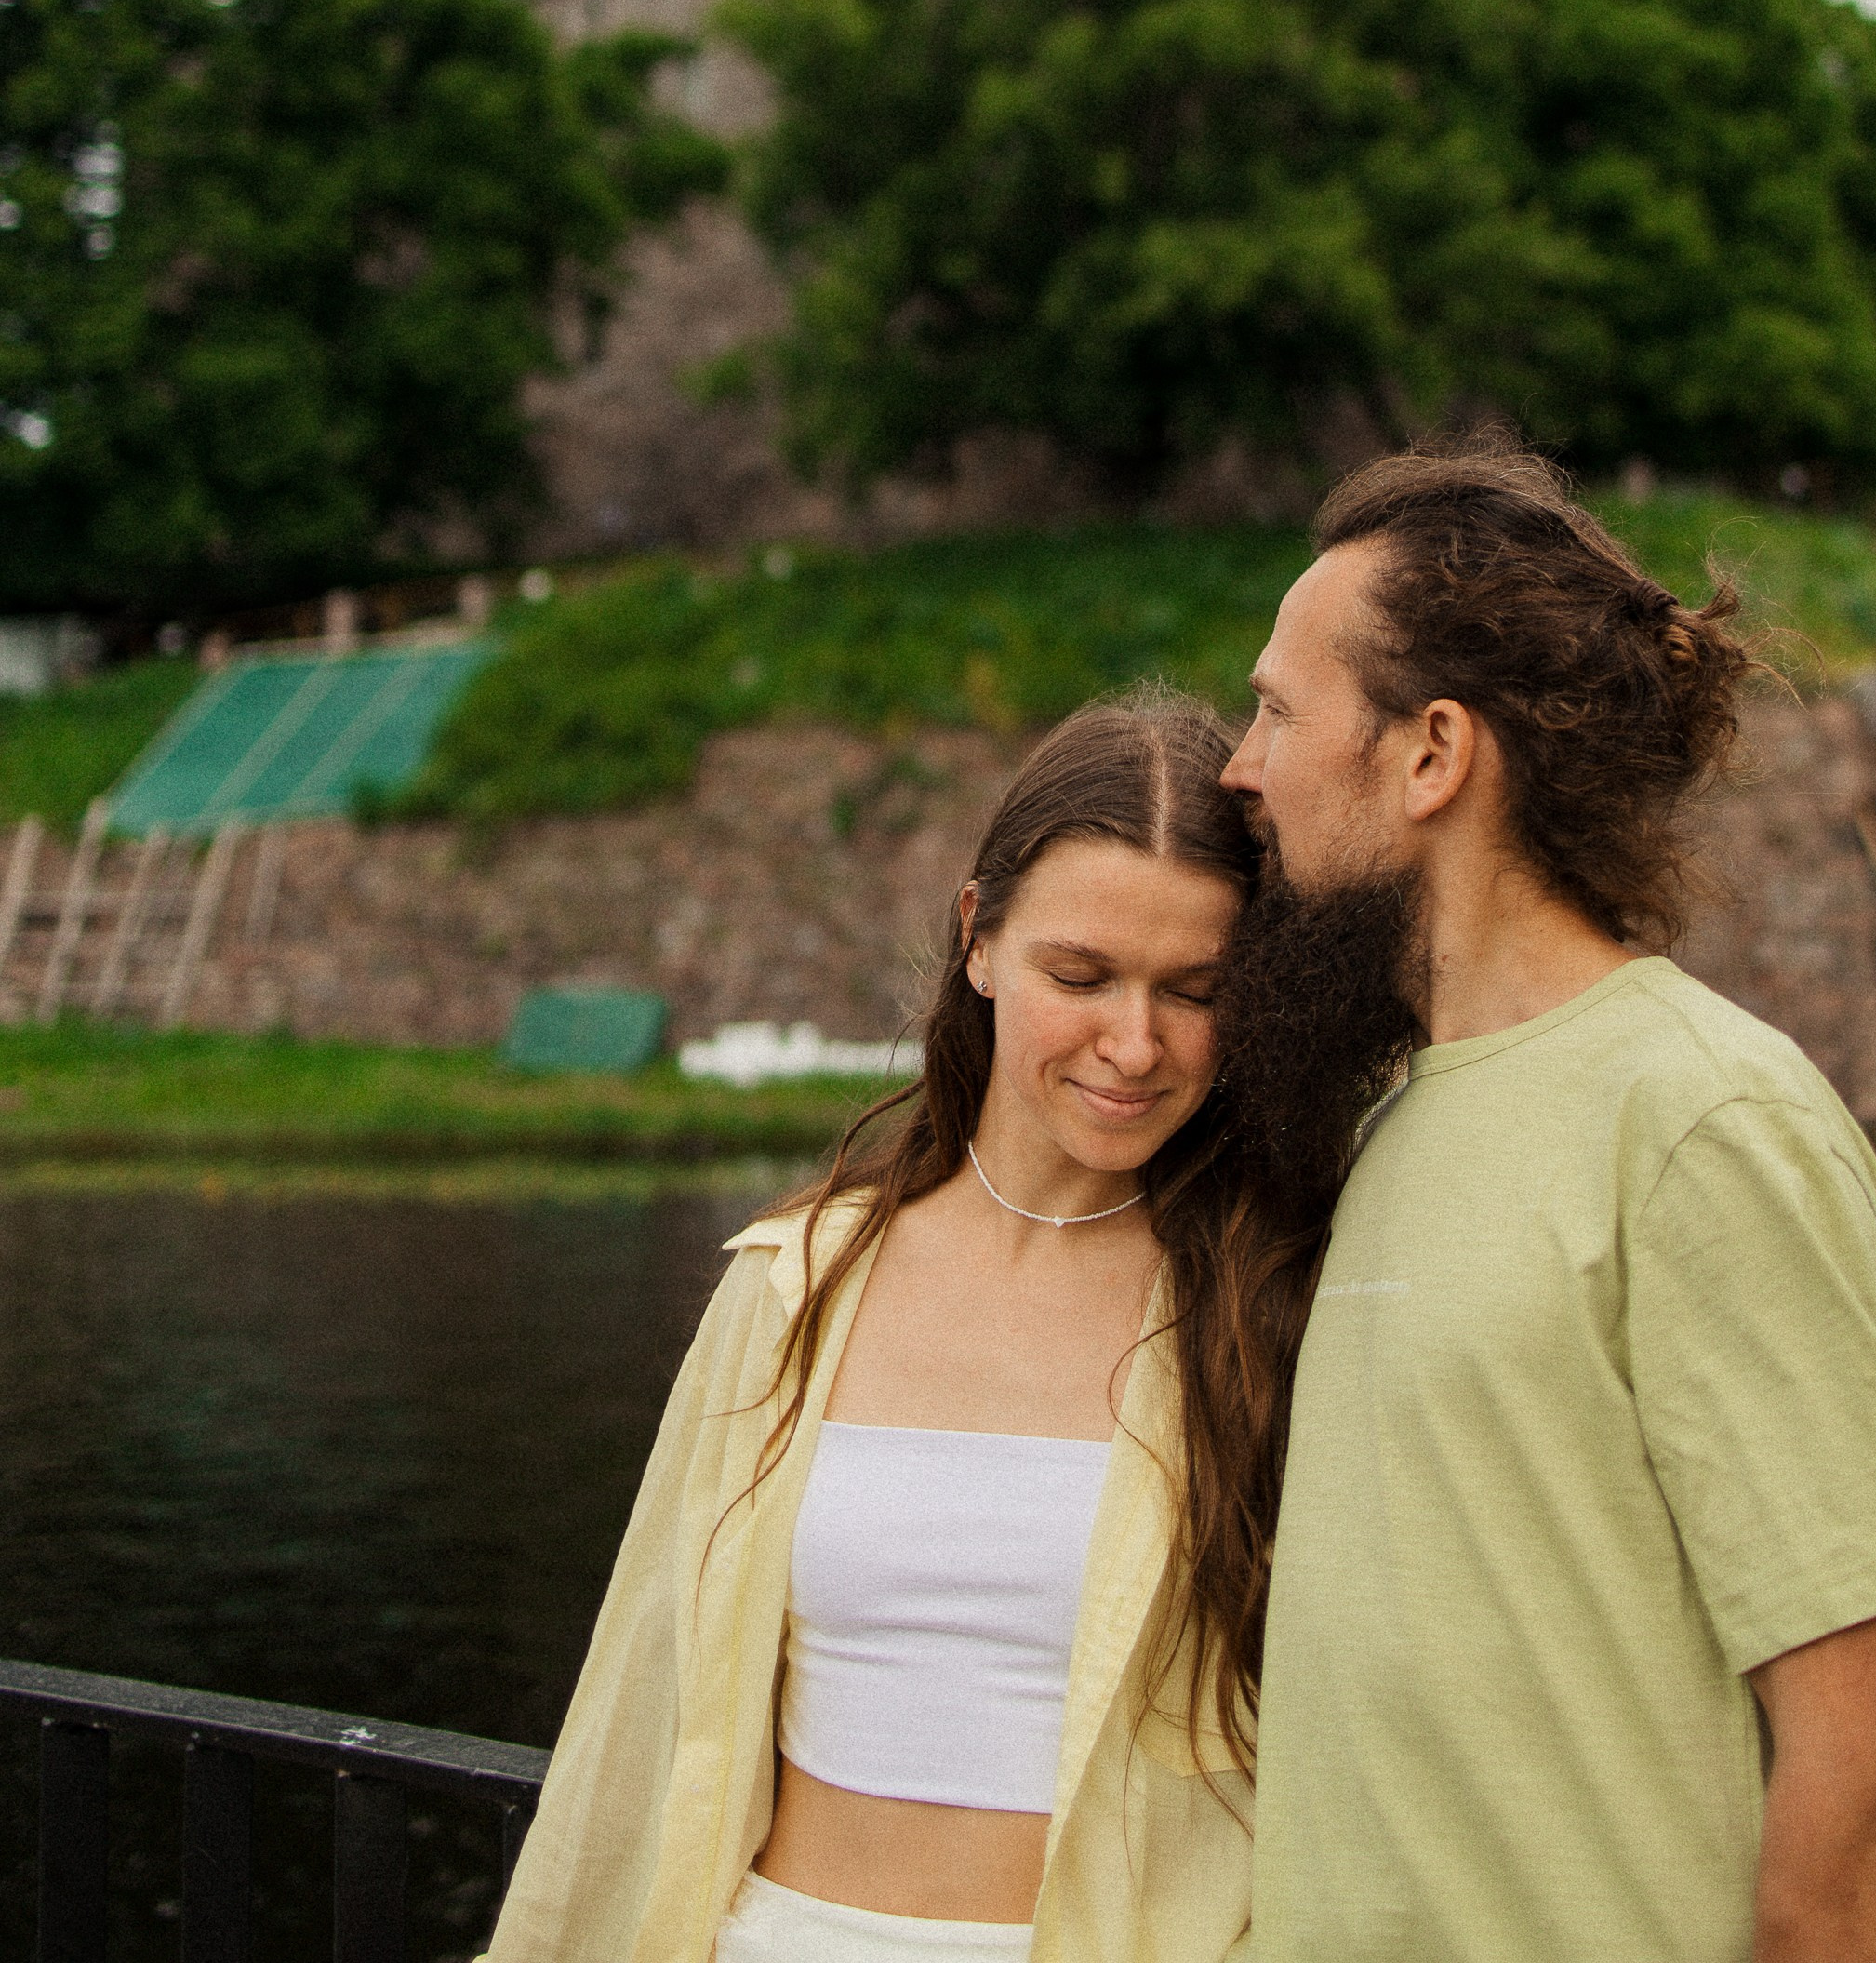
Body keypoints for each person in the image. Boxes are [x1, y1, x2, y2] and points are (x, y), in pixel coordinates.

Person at [1217, 433, 1876, 1963]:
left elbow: (1874, 1767)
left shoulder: (1701, 1117)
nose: (1239, 765)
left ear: (1432, 754)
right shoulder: (1391, 1110)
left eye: (1275, 709)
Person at [487, 694, 1321, 1963]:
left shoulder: (1270, 1311)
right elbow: (636, 1701)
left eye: (1194, 991)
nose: (1135, 1043)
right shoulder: (792, 1287)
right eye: (1081, 975)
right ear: (980, 940)